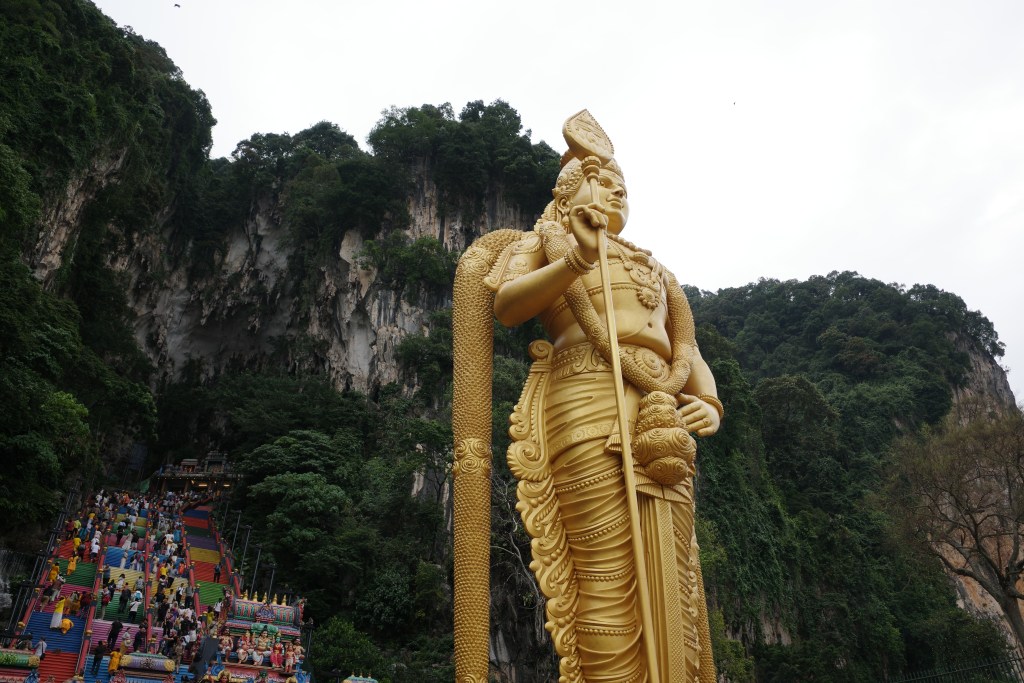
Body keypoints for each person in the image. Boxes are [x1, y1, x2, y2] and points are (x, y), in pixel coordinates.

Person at [453, 111, 722, 683]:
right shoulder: (543, 240)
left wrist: (710, 402)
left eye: (625, 187)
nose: (619, 192)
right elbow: (508, 305)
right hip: (584, 396)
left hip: (661, 411)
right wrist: (573, 258)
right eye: (606, 180)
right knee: (605, 571)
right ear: (572, 187)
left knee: (675, 575)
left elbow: (687, 349)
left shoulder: (653, 266)